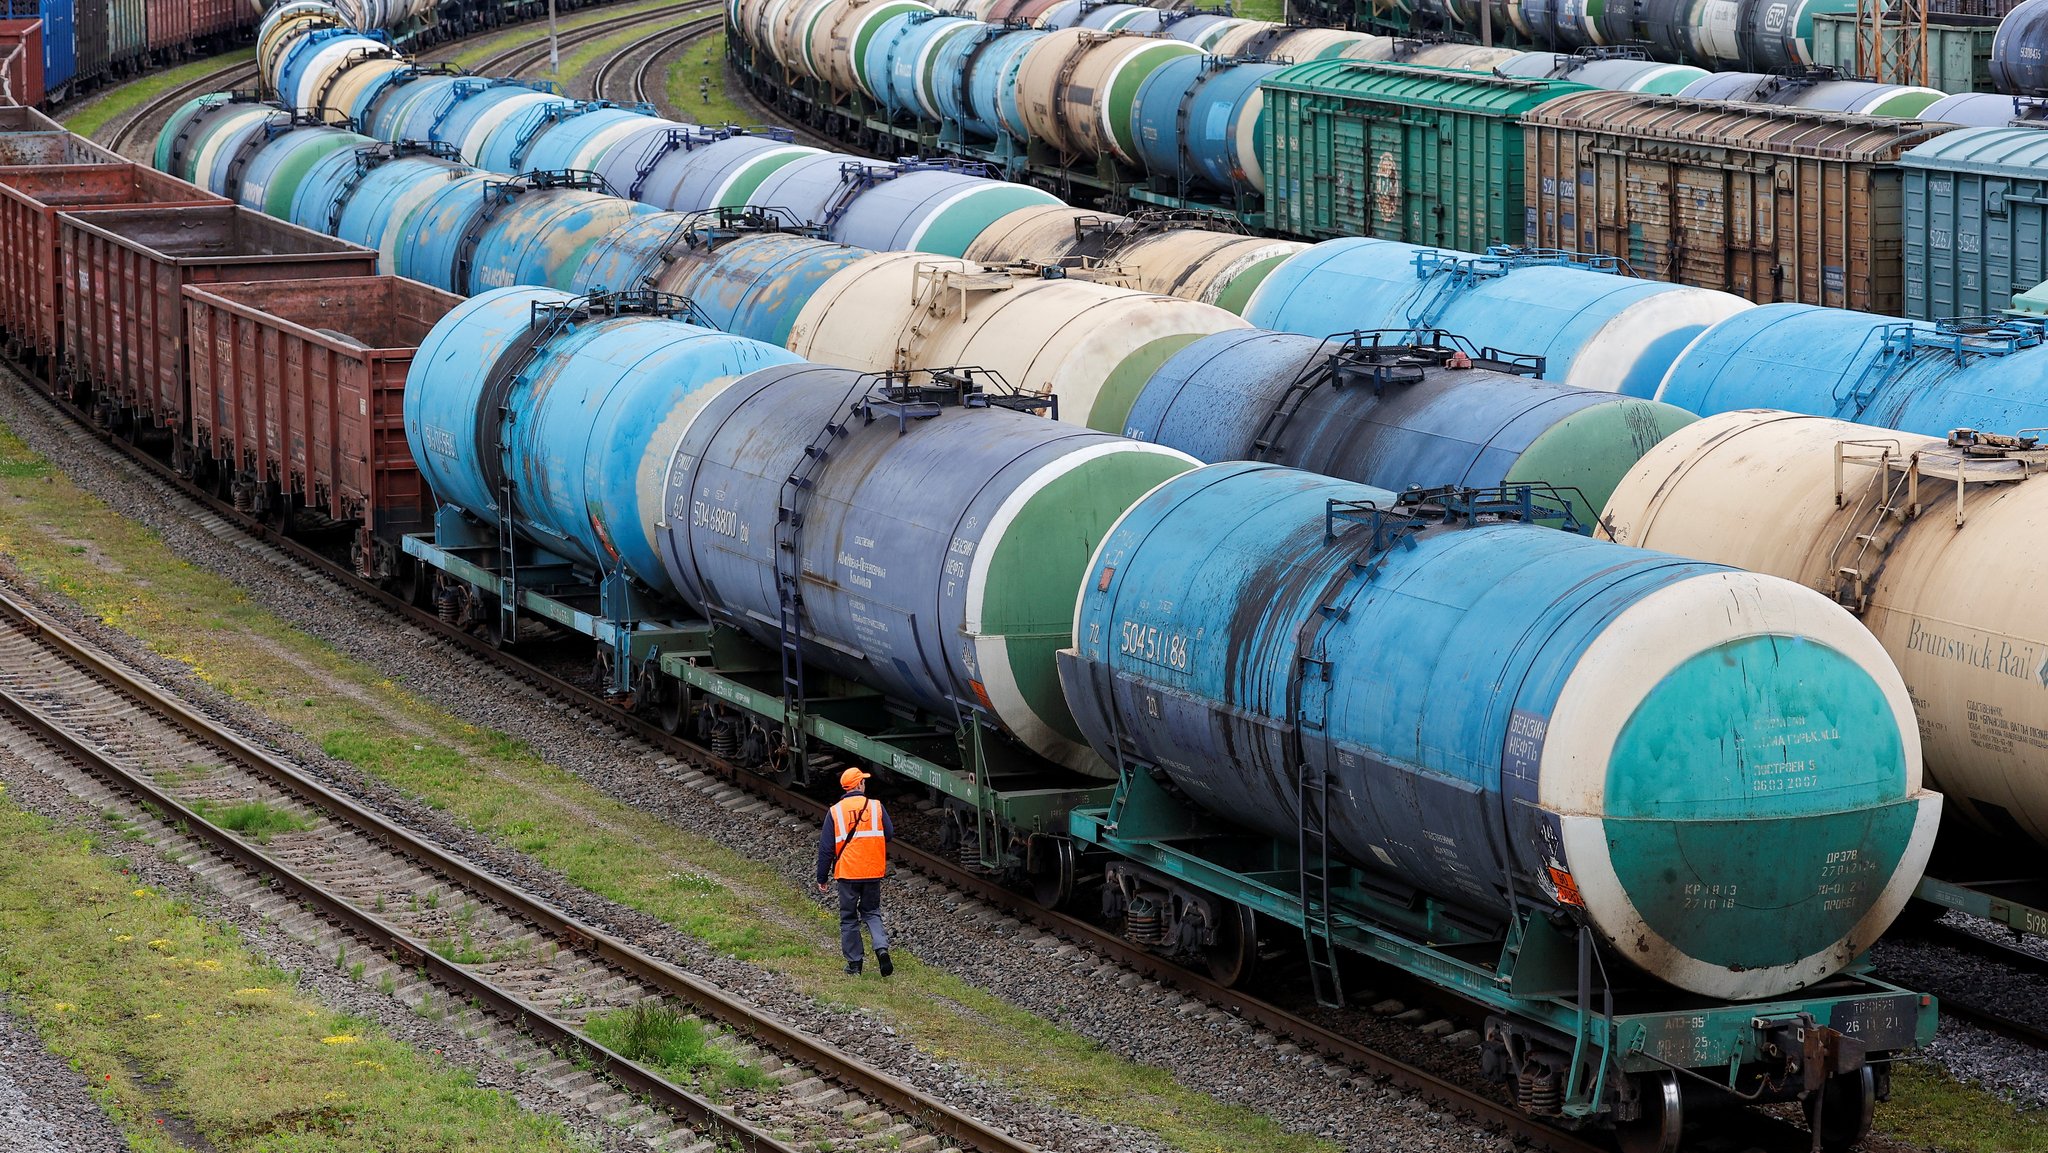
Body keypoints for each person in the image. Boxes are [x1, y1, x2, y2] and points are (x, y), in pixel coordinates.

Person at [815, 767, 894, 975]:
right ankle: (881, 949)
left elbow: (826, 849)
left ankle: (855, 964)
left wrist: (821, 877)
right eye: (863, 781)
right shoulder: (876, 806)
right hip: (872, 870)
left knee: (849, 917)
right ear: (858, 785)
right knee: (872, 912)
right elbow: (889, 834)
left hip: (848, 873)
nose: (865, 784)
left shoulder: (835, 811)